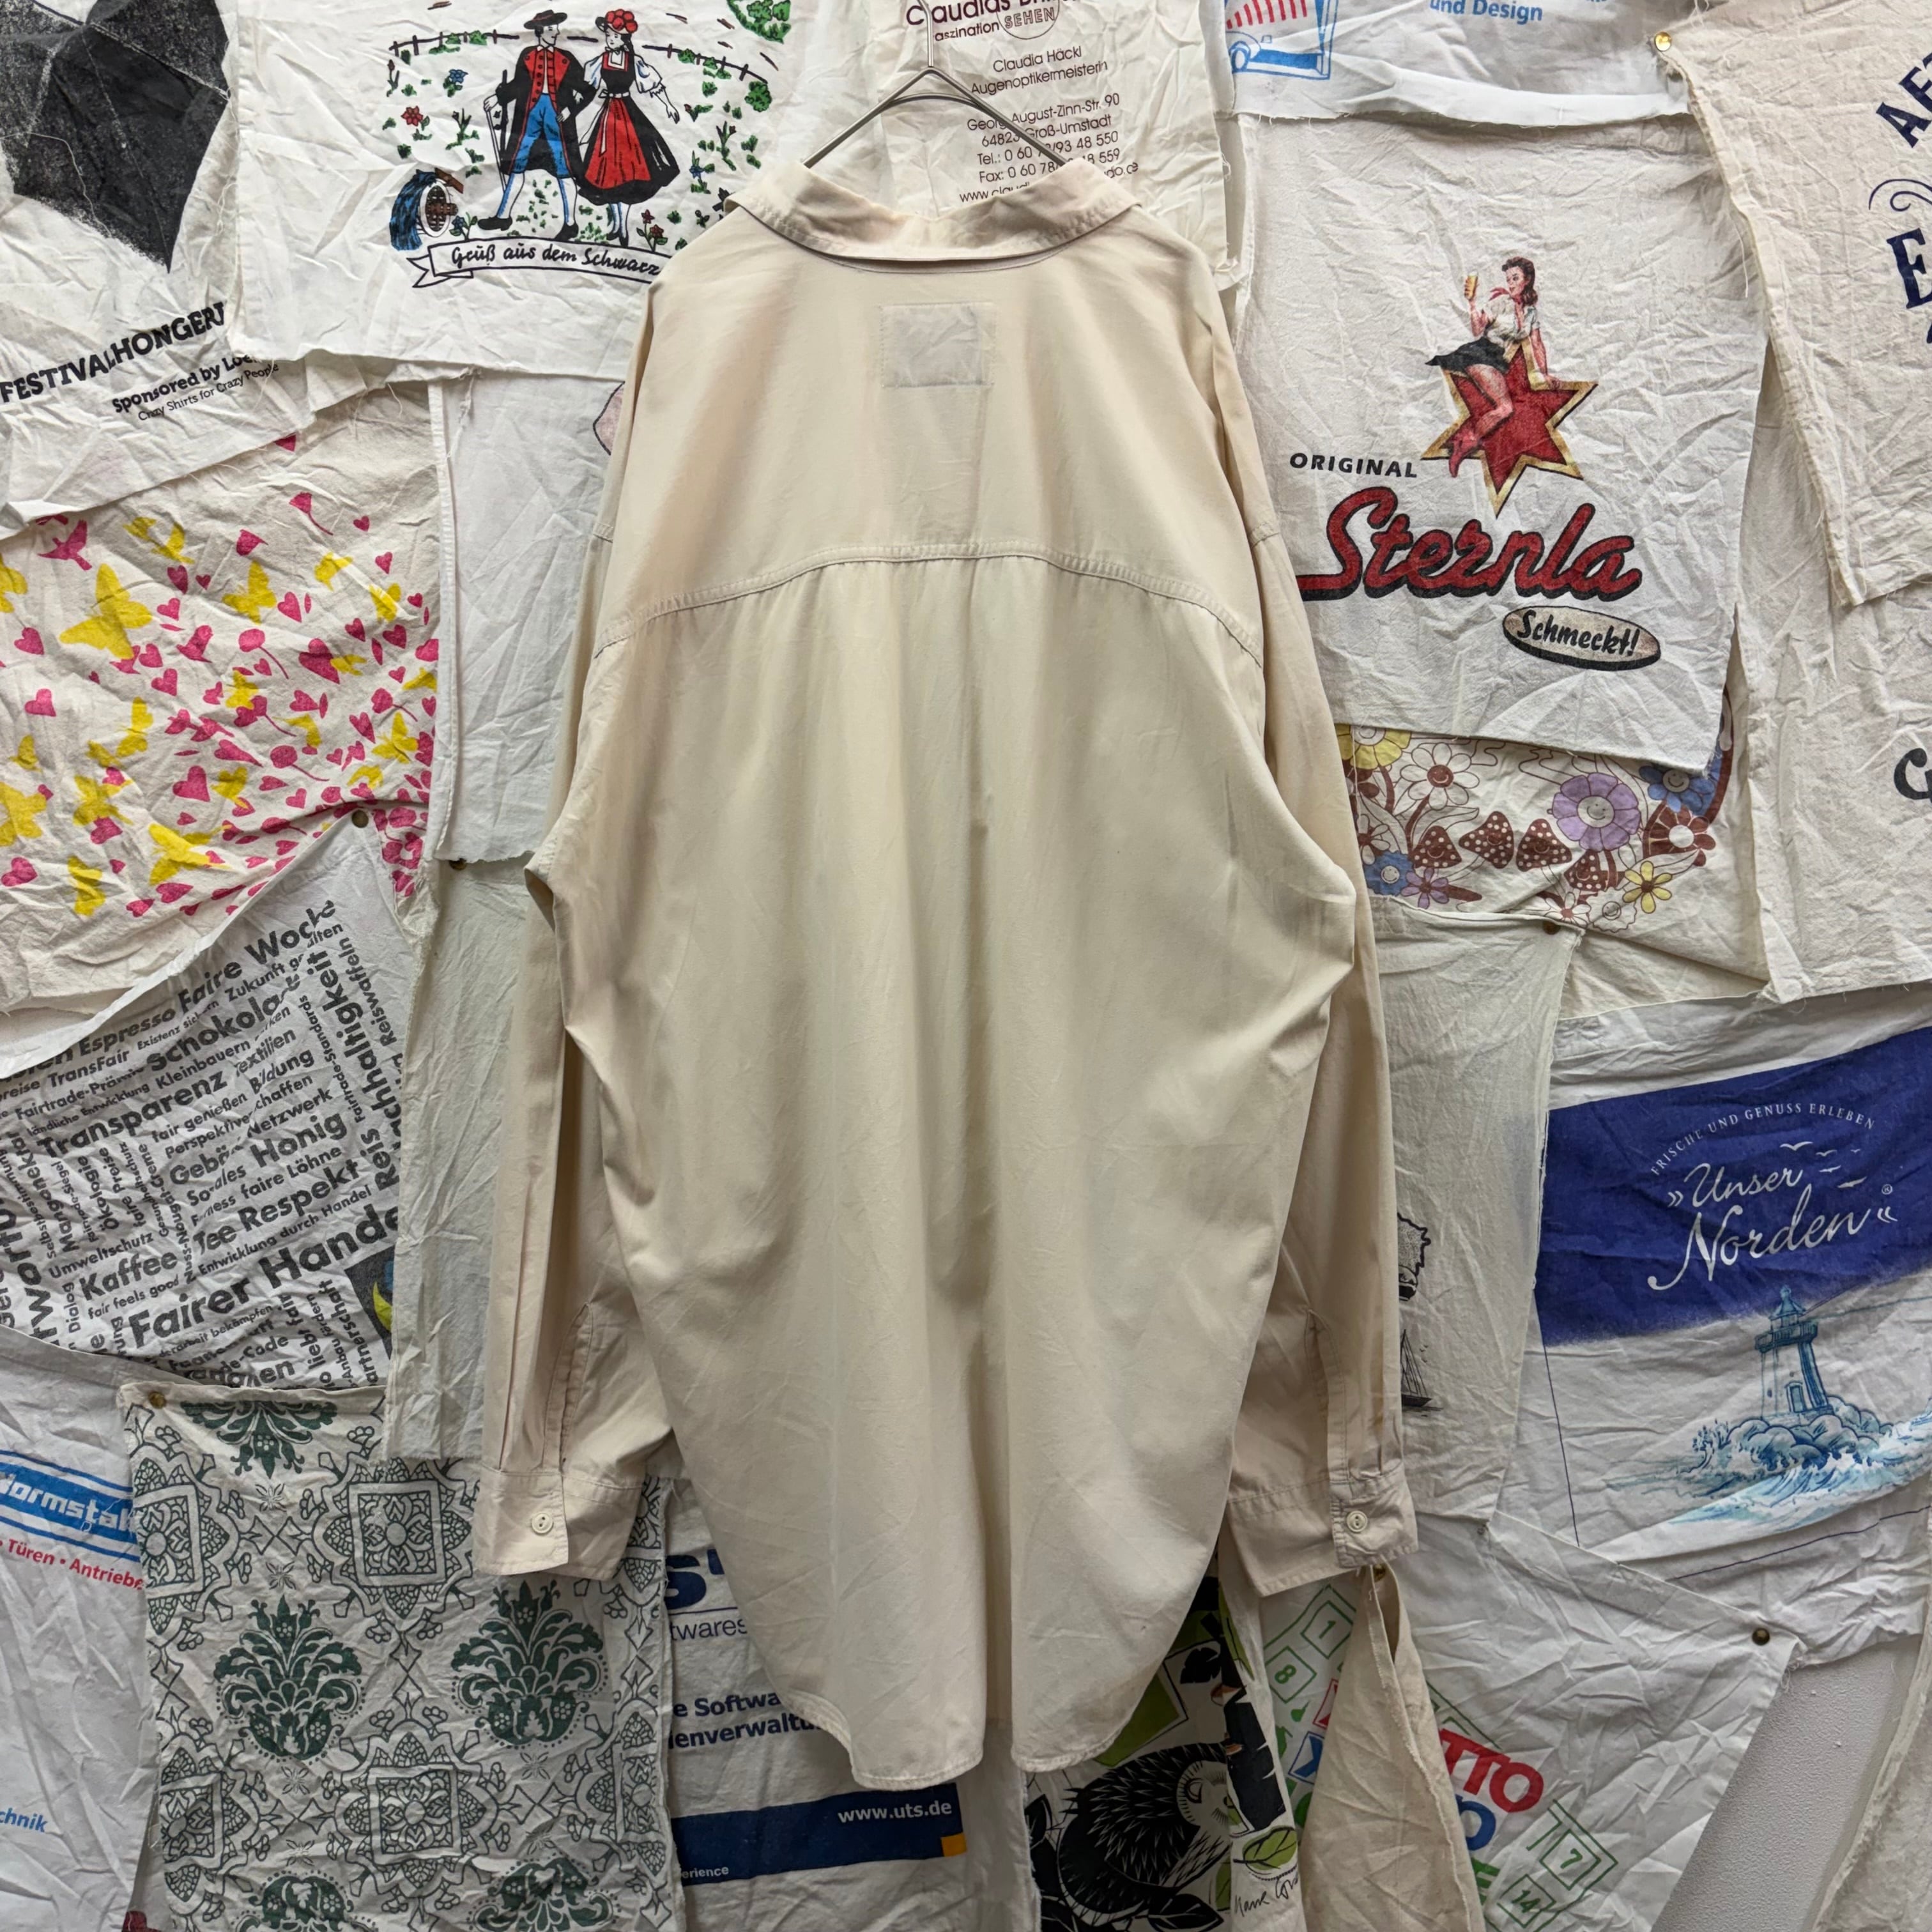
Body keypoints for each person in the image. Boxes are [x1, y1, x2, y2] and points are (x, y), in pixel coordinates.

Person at [1427, 255, 1548, 477]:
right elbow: (1477, 329)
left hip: (1497, 359)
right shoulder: (1500, 303)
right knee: (1505, 408)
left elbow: (1537, 344)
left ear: (1527, 280)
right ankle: (1466, 444)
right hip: (1480, 353)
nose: (1511, 283)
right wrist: (1472, 303)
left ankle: (1465, 441)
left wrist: (1545, 375)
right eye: (1508, 279)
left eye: (1515, 278)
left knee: (1506, 409)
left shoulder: (1531, 313)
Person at [479, 10, 594, 241]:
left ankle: (570, 224)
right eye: (552, 29)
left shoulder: (567, 59)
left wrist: (571, 110)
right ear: (540, 32)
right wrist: (498, 97)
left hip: (557, 118)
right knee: (516, 164)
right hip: (529, 116)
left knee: (564, 167)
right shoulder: (527, 56)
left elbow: (587, 90)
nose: (557, 33)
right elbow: (518, 85)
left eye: (556, 28)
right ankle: (503, 216)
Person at [574, 10, 680, 245]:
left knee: (629, 169)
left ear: (624, 39)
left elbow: (653, 86)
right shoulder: (600, 61)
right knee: (606, 172)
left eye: (615, 36)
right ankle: (616, 223)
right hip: (608, 117)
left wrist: (669, 106)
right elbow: (587, 87)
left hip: (628, 116)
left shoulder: (634, 62)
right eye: (608, 35)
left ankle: (622, 225)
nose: (610, 39)